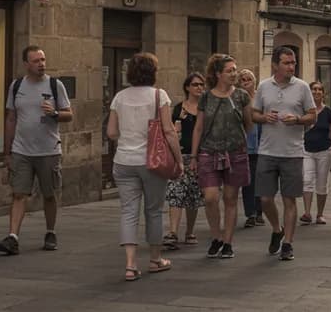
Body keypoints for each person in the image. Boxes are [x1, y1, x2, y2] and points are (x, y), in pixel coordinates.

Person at [106, 52, 182, 281]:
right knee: (154, 210)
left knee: (129, 212)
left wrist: (128, 135)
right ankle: (155, 259)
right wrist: (178, 160)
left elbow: (111, 132)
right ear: (153, 73)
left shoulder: (119, 97)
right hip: (152, 163)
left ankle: (130, 265)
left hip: (123, 161)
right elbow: (169, 131)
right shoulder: (159, 95)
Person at [0, 45, 73, 255]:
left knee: (49, 194)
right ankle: (13, 237)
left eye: (43, 60)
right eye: (36, 61)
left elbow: (69, 114)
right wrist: (7, 151)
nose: (42, 64)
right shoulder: (17, 85)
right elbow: (11, 117)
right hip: (22, 150)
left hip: (48, 150)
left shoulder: (55, 85)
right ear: (26, 64)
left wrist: (56, 113)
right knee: (19, 194)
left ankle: (50, 232)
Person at [252, 47, 317, 261]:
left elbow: (312, 115)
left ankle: (288, 243)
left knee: (290, 199)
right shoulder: (263, 86)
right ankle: (276, 229)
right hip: (267, 150)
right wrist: (263, 118)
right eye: (287, 63)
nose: (292, 66)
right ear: (275, 65)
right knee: (265, 199)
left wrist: (298, 120)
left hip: (292, 152)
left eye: (293, 62)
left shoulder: (302, 87)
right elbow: (253, 113)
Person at [189, 55, 252, 259]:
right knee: (210, 198)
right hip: (209, 151)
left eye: (235, 69)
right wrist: (193, 156)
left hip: (235, 152)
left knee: (231, 198)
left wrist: (239, 142)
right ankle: (216, 237)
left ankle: (227, 242)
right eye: (229, 70)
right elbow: (198, 127)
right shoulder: (206, 97)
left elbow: (248, 124)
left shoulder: (242, 96)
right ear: (218, 74)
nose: (234, 73)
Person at [163, 73, 205, 249]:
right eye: (195, 85)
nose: (199, 88)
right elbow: (172, 130)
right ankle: (173, 232)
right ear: (187, 87)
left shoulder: (205, 109)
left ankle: (189, 231)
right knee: (176, 193)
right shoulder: (180, 108)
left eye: (202, 85)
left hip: (200, 158)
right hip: (181, 156)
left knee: (193, 195)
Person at [301, 81, 331, 225]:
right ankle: (306, 212)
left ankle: (320, 214)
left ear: (323, 93)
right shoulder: (305, 111)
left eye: (319, 89)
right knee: (307, 179)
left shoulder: (328, 112)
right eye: (313, 89)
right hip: (306, 150)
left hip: (325, 150)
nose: (316, 92)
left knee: (322, 183)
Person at [238, 68, 263, 228]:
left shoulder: (261, 98)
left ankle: (260, 211)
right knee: (247, 181)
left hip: (262, 143)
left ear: (254, 81)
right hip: (245, 145)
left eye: (249, 79)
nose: (246, 81)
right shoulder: (238, 99)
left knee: (261, 179)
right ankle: (251, 213)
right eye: (243, 79)